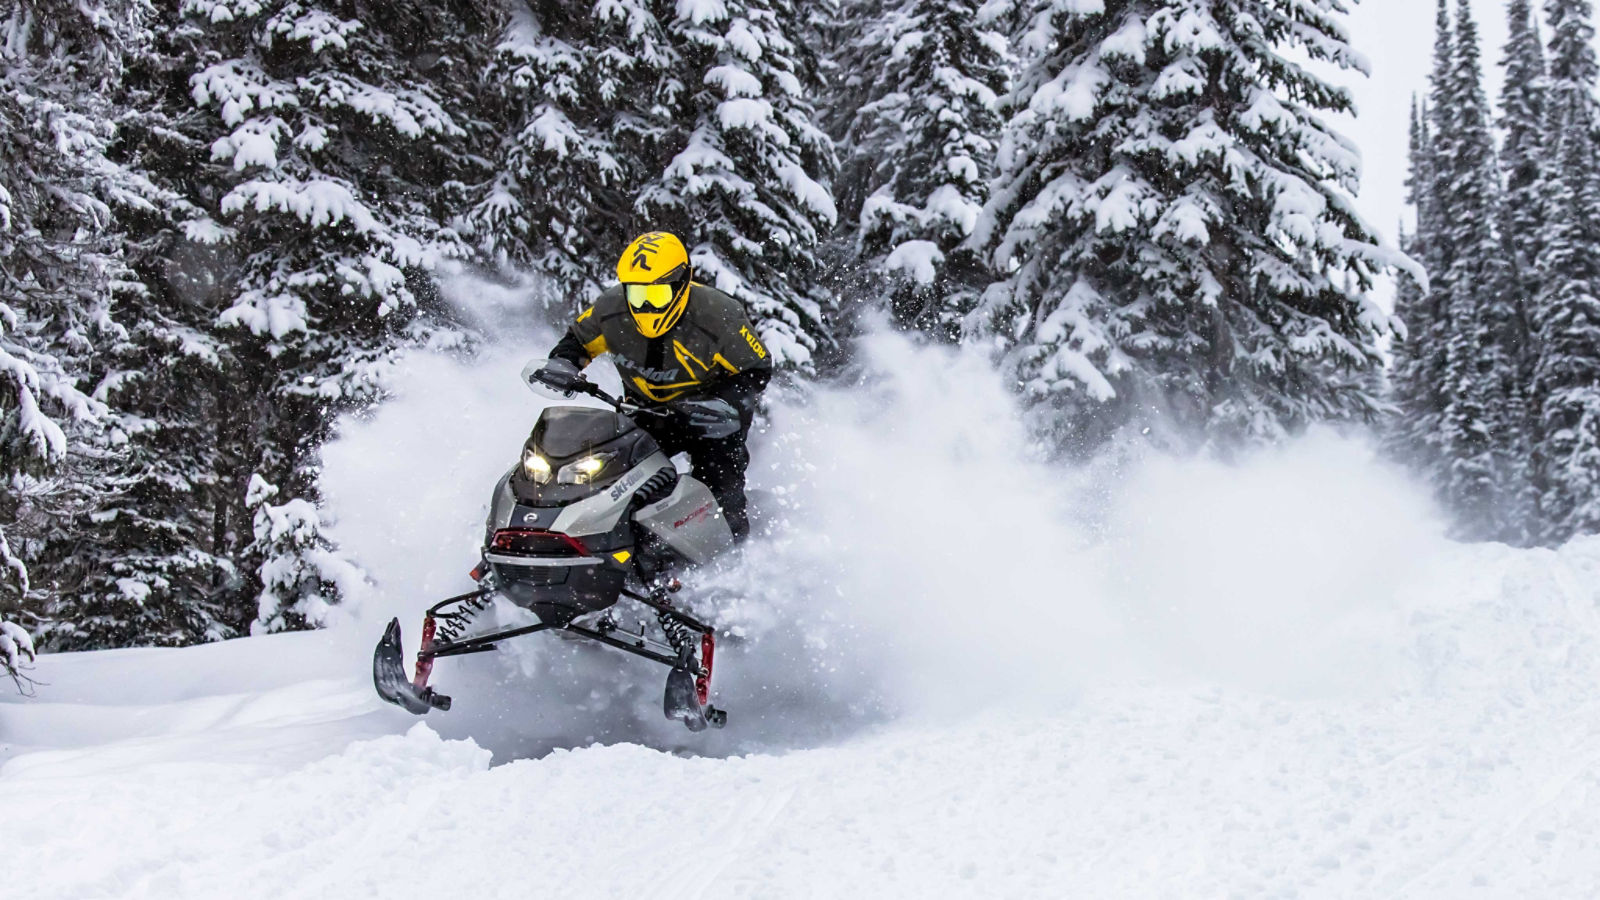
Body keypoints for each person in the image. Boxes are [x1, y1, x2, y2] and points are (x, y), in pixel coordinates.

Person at [533, 231, 771, 539]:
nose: (646, 307)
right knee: (607, 477)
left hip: (711, 417)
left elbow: (755, 369)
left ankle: (732, 556)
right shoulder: (611, 309)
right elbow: (578, 341)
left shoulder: (719, 315)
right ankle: (593, 544)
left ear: (681, 284)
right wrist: (563, 365)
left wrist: (725, 403)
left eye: (656, 297)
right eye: (637, 295)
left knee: (719, 488)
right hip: (645, 410)